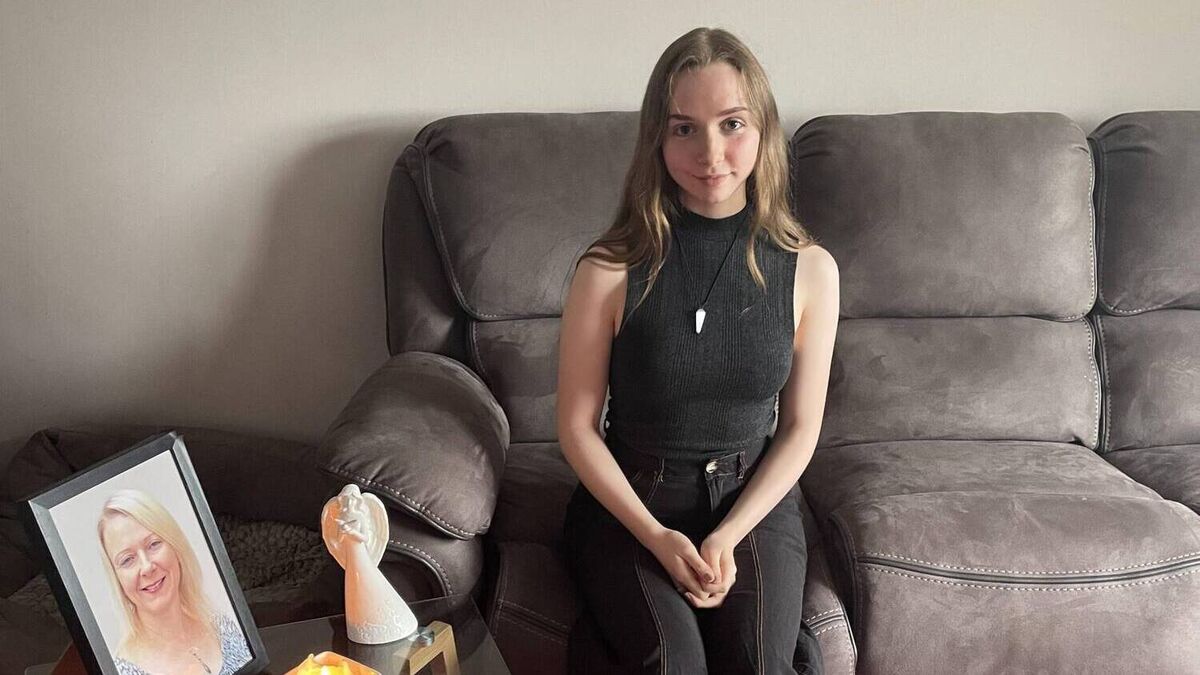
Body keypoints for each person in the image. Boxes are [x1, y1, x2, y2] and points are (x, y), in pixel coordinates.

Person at [556, 27, 840, 674]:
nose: (711, 153)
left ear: (763, 130)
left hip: (752, 503)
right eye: (684, 128)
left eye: (731, 124)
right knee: (674, 663)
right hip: (632, 502)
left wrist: (728, 534)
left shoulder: (811, 271)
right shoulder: (608, 268)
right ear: (657, 140)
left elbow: (800, 429)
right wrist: (657, 536)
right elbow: (575, 427)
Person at [97, 489, 252, 675]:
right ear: (117, 578)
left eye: (153, 544)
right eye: (127, 560)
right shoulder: (122, 671)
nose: (147, 567)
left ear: (175, 545)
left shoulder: (219, 625)